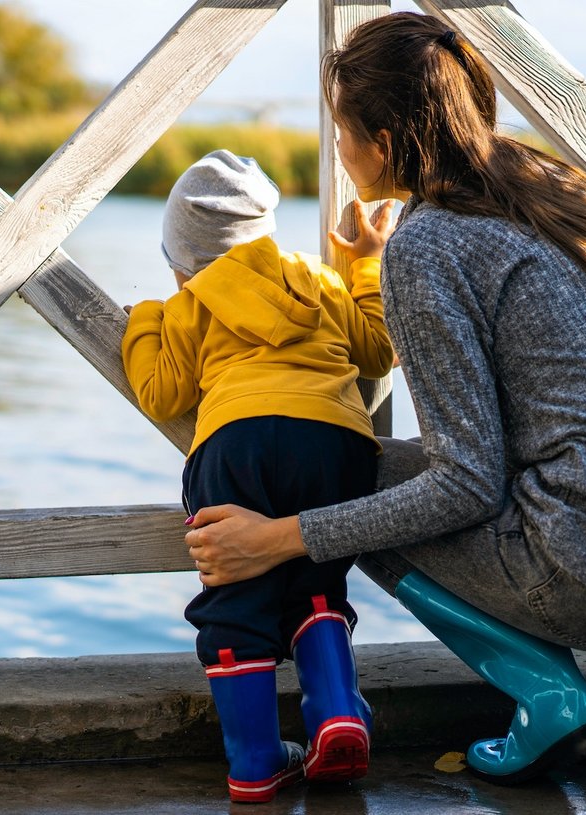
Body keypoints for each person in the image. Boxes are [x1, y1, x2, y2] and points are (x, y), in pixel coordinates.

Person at [182, 13, 586, 786]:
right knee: (538, 469)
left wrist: (284, 536)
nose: (339, 150)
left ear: (385, 144)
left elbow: (464, 483)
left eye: (343, 132)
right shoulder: (548, 186)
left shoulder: (428, 244)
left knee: (349, 472)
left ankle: (551, 695)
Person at [121, 149, 396, 803]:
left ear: (184, 265)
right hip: (337, 442)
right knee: (317, 582)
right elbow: (378, 349)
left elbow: (161, 392)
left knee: (237, 594)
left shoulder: (192, 304)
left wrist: (145, 320)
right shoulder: (314, 279)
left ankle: (254, 759)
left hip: (237, 443)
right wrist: (362, 266)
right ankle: (336, 714)